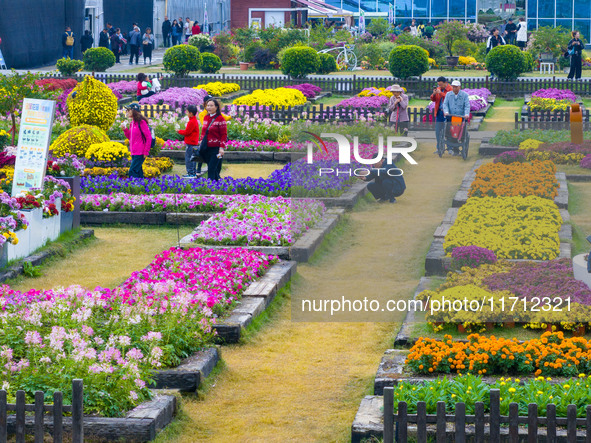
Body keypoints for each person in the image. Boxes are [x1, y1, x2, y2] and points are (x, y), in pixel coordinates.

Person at [442, 80, 471, 156]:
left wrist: (466, 114)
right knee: (449, 130)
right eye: (453, 87)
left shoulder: (464, 95)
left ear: (459, 87)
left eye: (456, 87)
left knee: (459, 131)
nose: (454, 88)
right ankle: (451, 147)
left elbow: (467, 106)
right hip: (450, 116)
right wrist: (446, 112)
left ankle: (456, 147)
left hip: (460, 117)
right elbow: (445, 104)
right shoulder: (448, 94)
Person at [201, 99, 227, 181]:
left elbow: (224, 135)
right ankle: (217, 187)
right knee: (214, 170)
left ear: (216, 107)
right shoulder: (206, 117)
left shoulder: (220, 119)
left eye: (211, 105)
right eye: (208, 105)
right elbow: (203, 132)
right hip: (206, 148)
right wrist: (201, 142)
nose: (209, 107)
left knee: (211, 169)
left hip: (216, 149)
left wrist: (221, 148)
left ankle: (210, 187)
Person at [123, 104, 151, 178]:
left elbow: (148, 137)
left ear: (134, 111)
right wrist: (125, 130)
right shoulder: (132, 123)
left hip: (140, 152)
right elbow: (130, 137)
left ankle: (133, 187)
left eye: (129, 110)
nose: (127, 112)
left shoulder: (141, 122)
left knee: (132, 171)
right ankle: (142, 187)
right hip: (134, 152)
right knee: (138, 171)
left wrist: (146, 151)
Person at [430, 76, 452, 155]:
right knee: (438, 131)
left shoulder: (450, 89)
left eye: (441, 85)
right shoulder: (439, 89)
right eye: (439, 85)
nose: (440, 86)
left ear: (445, 83)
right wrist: (434, 94)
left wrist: (441, 93)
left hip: (448, 113)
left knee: (449, 130)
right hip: (439, 112)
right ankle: (439, 147)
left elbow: (450, 98)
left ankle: (450, 148)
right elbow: (433, 99)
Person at [178, 105, 201, 178]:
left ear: (191, 113)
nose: (186, 114)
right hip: (194, 143)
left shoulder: (191, 121)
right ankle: (193, 173)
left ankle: (191, 173)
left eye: (187, 112)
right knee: (193, 158)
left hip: (191, 143)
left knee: (189, 159)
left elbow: (187, 132)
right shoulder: (194, 120)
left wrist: (179, 131)